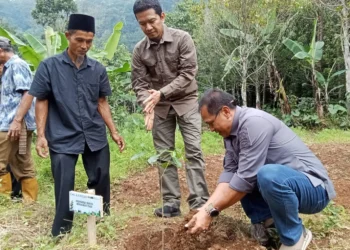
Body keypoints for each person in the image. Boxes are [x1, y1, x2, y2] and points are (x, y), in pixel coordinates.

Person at [185, 89, 336, 250]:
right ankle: (268, 225)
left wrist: (210, 212)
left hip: (315, 189)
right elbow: (229, 175)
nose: (211, 129)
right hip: (289, 185)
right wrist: (206, 207)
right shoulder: (230, 135)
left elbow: (245, 179)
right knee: (244, 175)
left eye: (210, 123)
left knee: (265, 175)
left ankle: (294, 237)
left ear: (226, 112)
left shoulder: (254, 123)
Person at [28, 14, 125, 237]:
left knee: (101, 176)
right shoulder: (49, 67)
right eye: (79, 40)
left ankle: (102, 219)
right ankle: (62, 230)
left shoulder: (97, 69)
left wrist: (114, 131)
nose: (84, 46)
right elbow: (41, 100)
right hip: (62, 134)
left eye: (89, 41)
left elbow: (102, 102)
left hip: (94, 133)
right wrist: (41, 135)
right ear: (67, 36)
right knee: (64, 182)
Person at [131, 0, 210, 217]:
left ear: (162, 17)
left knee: (193, 150)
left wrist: (161, 93)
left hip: (186, 101)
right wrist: (146, 105)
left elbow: (187, 74)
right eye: (142, 23)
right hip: (159, 107)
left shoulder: (183, 39)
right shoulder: (139, 50)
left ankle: (199, 201)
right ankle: (171, 203)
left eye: (152, 21)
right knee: (164, 154)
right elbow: (139, 83)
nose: (148, 27)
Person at [0, 37, 38, 203]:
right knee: (21, 162)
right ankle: (29, 202)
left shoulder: (17, 65)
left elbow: (28, 93)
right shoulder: (8, 68)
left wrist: (17, 121)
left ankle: (4, 202)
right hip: (13, 124)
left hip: (12, 125)